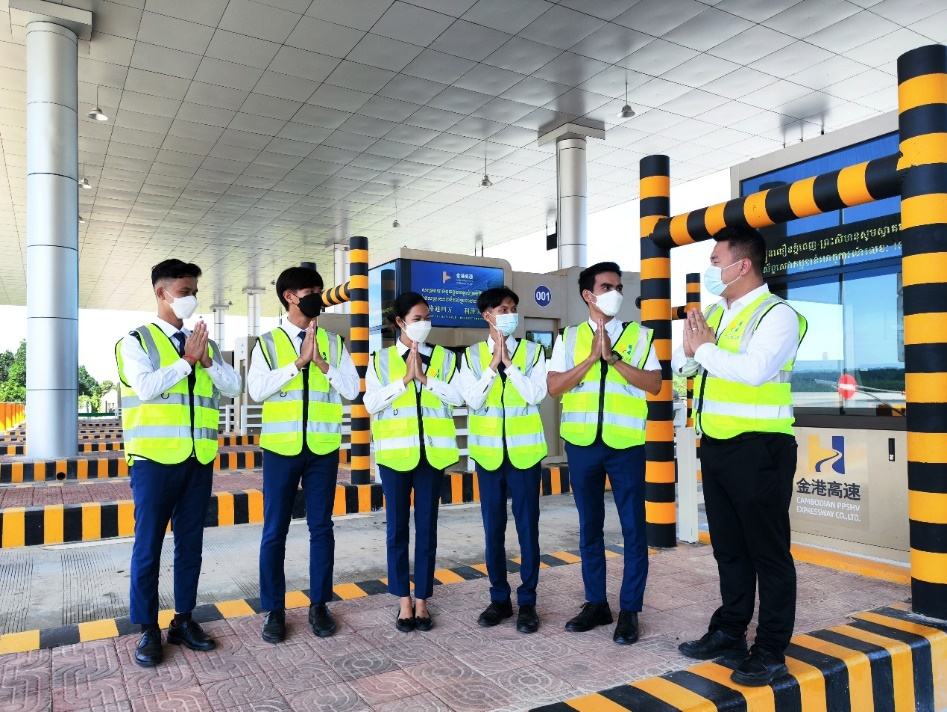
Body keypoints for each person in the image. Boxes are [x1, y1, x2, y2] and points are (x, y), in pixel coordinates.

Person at [672, 225, 807, 687]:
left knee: (768, 553)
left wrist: (704, 348)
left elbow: (754, 372)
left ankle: (770, 650)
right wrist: (692, 350)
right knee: (729, 549)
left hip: (760, 449)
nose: (710, 270)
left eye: (715, 261)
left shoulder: (778, 315)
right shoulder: (717, 313)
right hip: (717, 445)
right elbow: (686, 365)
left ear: (742, 265)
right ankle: (730, 630)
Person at [116, 259, 242, 667]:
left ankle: (183, 621)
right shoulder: (135, 341)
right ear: (162, 293)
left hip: (198, 458)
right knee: (148, 547)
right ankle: (147, 630)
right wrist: (186, 360)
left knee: (191, 545)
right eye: (185, 291)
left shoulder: (205, 344)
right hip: (153, 461)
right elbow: (145, 388)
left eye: (194, 292)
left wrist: (205, 361)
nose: (192, 299)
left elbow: (234, 386)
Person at [547, 261, 661, 645]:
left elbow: (654, 384)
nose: (616, 293)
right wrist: (591, 358)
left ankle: (630, 610)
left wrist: (613, 358)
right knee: (589, 527)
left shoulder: (639, 336)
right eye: (607, 287)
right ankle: (596, 603)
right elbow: (555, 386)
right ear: (588, 295)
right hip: (582, 445)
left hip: (625, 445)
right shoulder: (568, 337)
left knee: (634, 529)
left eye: (619, 287)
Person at [247, 266, 359, 643]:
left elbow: (351, 389)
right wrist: (297, 363)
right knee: (274, 530)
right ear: (289, 296)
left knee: (321, 528)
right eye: (310, 291)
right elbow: (257, 390)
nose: (318, 297)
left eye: (320, 290)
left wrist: (321, 363)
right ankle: (274, 610)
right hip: (281, 450)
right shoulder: (268, 343)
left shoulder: (334, 342)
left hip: (323, 449)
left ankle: (319, 605)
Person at [365, 292, 464, 632]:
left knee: (427, 529)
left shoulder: (445, 358)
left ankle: (422, 600)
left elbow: (458, 397)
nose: (424, 323)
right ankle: (403, 601)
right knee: (397, 530)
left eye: (427, 317)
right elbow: (370, 403)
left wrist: (425, 380)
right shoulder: (380, 360)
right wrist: (405, 380)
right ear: (400, 322)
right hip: (395, 457)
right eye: (418, 318)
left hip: (432, 456)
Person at [460, 286, 548, 634]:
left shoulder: (533, 351)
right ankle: (499, 599)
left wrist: (509, 365)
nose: (510, 314)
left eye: (513, 308)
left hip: (525, 455)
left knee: (528, 531)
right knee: (493, 531)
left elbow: (536, 395)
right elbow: (472, 400)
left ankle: (528, 603)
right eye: (502, 310)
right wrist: (491, 366)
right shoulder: (471, 356)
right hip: (488, 456)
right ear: (487, 316)